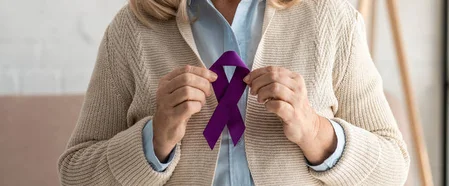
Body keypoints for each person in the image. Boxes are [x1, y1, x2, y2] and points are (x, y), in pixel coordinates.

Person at [58, 0, 409, 185]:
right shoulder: (132, 29)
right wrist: (154, 139)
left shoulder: (333, 21)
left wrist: (316, 133)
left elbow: (392, 170)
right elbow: (76, 173)